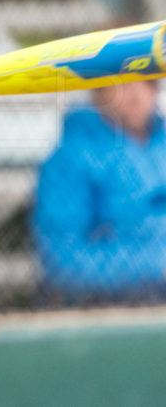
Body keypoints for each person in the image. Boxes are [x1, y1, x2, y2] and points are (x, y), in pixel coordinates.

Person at [33, 77, 166, 304]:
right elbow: (63, 262)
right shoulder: (70, 158)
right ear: (98, 91)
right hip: (111, 307)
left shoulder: (160, 144)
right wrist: (157, 266)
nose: (136, 92)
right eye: (123, 81)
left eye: (147, 81)